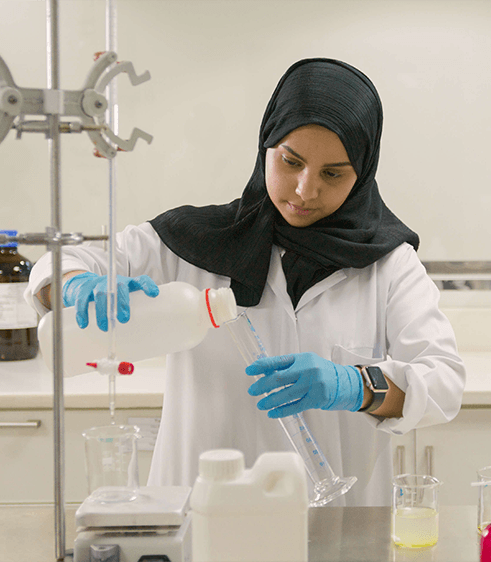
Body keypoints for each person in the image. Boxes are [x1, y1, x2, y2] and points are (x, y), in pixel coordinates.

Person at [26, 58, 466, 506]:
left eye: (332, 173)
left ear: (363, 172)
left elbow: (444, 382)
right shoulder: (192, 242)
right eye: (291, 161)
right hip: (201, 512)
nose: (305, 189)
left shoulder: (388, 263)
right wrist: (75, 283)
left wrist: (355, 385)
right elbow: (65, 262)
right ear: (266, 148)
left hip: (334, 522)